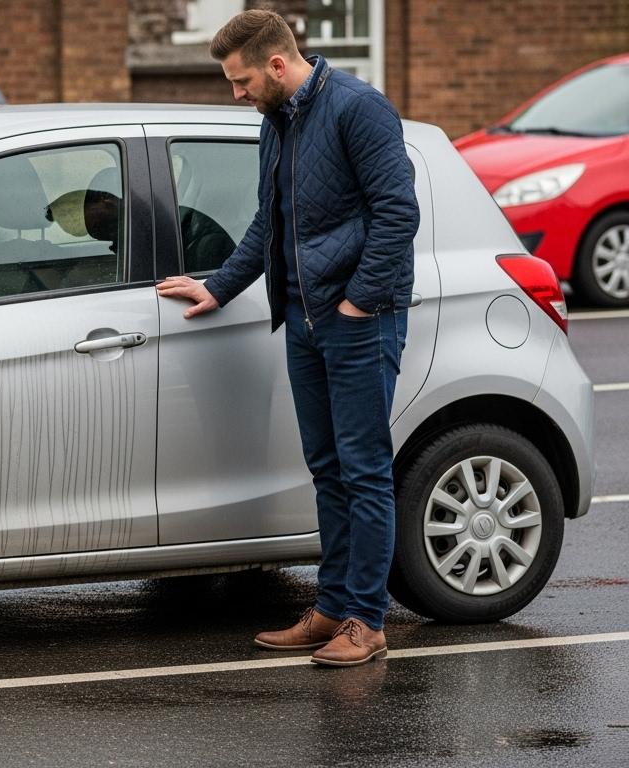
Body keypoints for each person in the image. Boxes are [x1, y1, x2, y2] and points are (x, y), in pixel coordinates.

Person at [156, 8, 419, 667]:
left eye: (241, 81)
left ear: (277, 65)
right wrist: (220, 285)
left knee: (364, 470)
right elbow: (268, 223)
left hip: (358, 320)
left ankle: (366, 620)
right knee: (327, 467)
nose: (236, 93)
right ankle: (331, 606)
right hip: (302, 318)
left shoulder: (360, 109)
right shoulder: (276, 121)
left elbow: (397, 213)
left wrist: (358, 302)